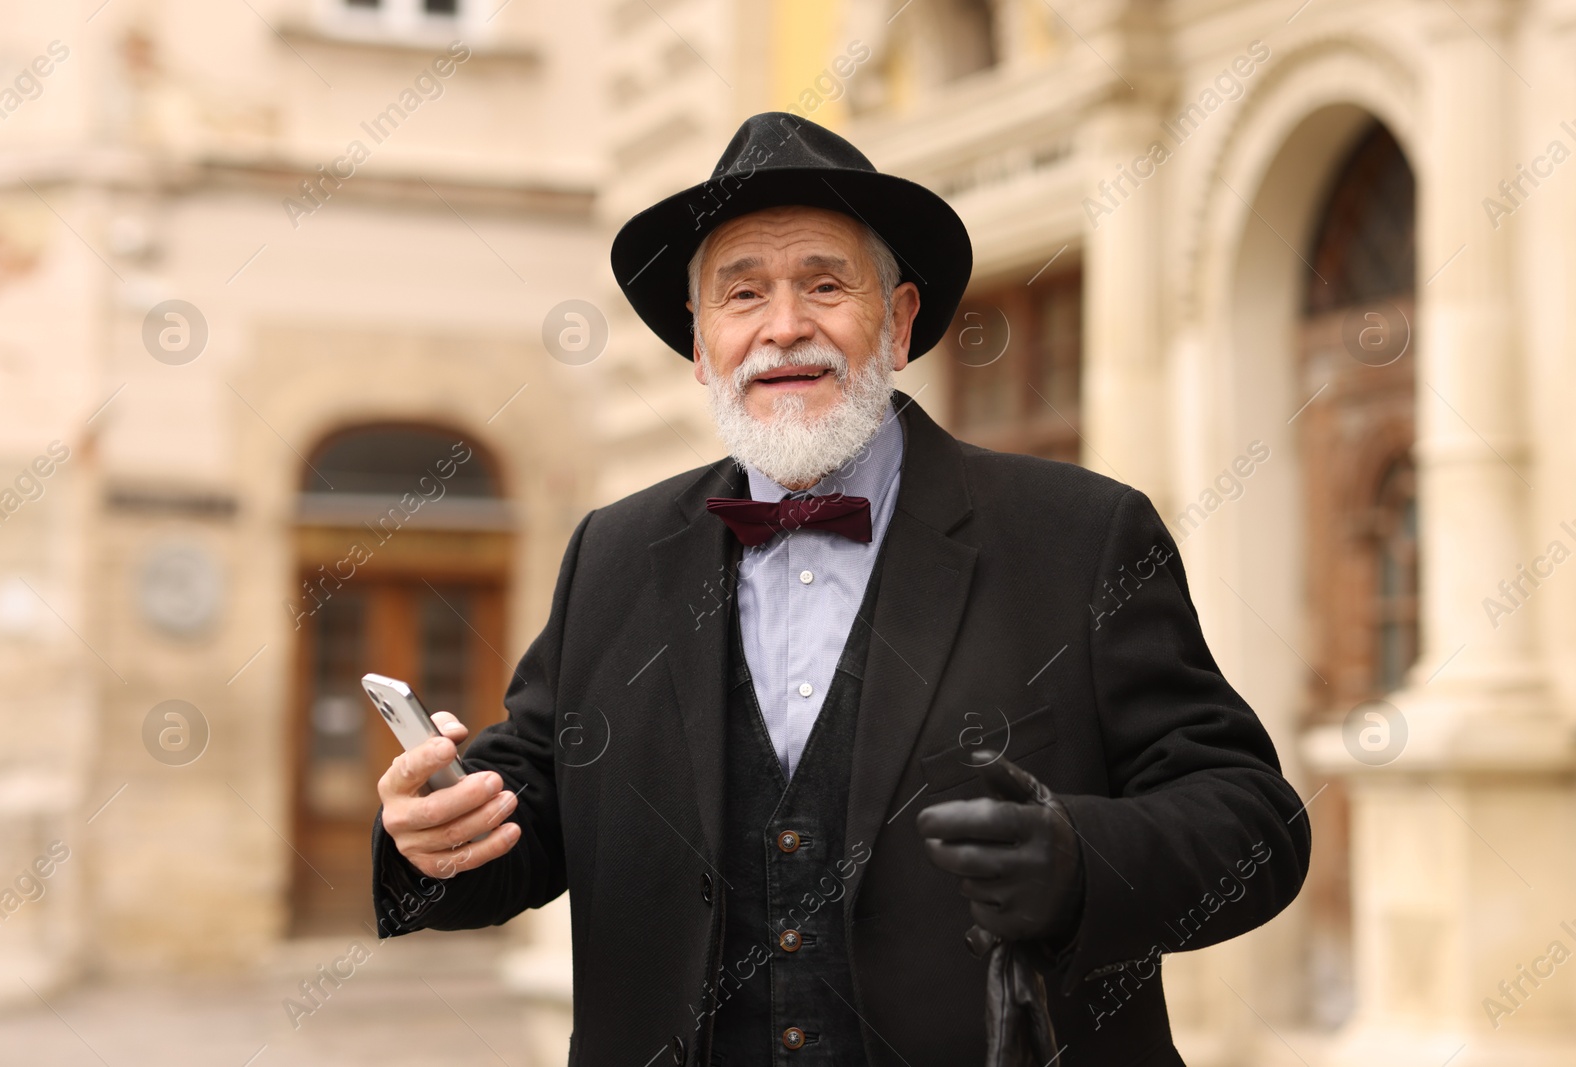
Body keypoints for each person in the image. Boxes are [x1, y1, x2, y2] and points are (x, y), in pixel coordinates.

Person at [371, 112, 1311, 1066]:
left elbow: (1253, 821)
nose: (785, 327)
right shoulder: (614, 554)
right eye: (742, 295)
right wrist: (432, 832)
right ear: (700, 345)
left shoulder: (1080, 534)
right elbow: (525, 814)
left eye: (824, 284)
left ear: (898, 321)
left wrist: (1081, 862)